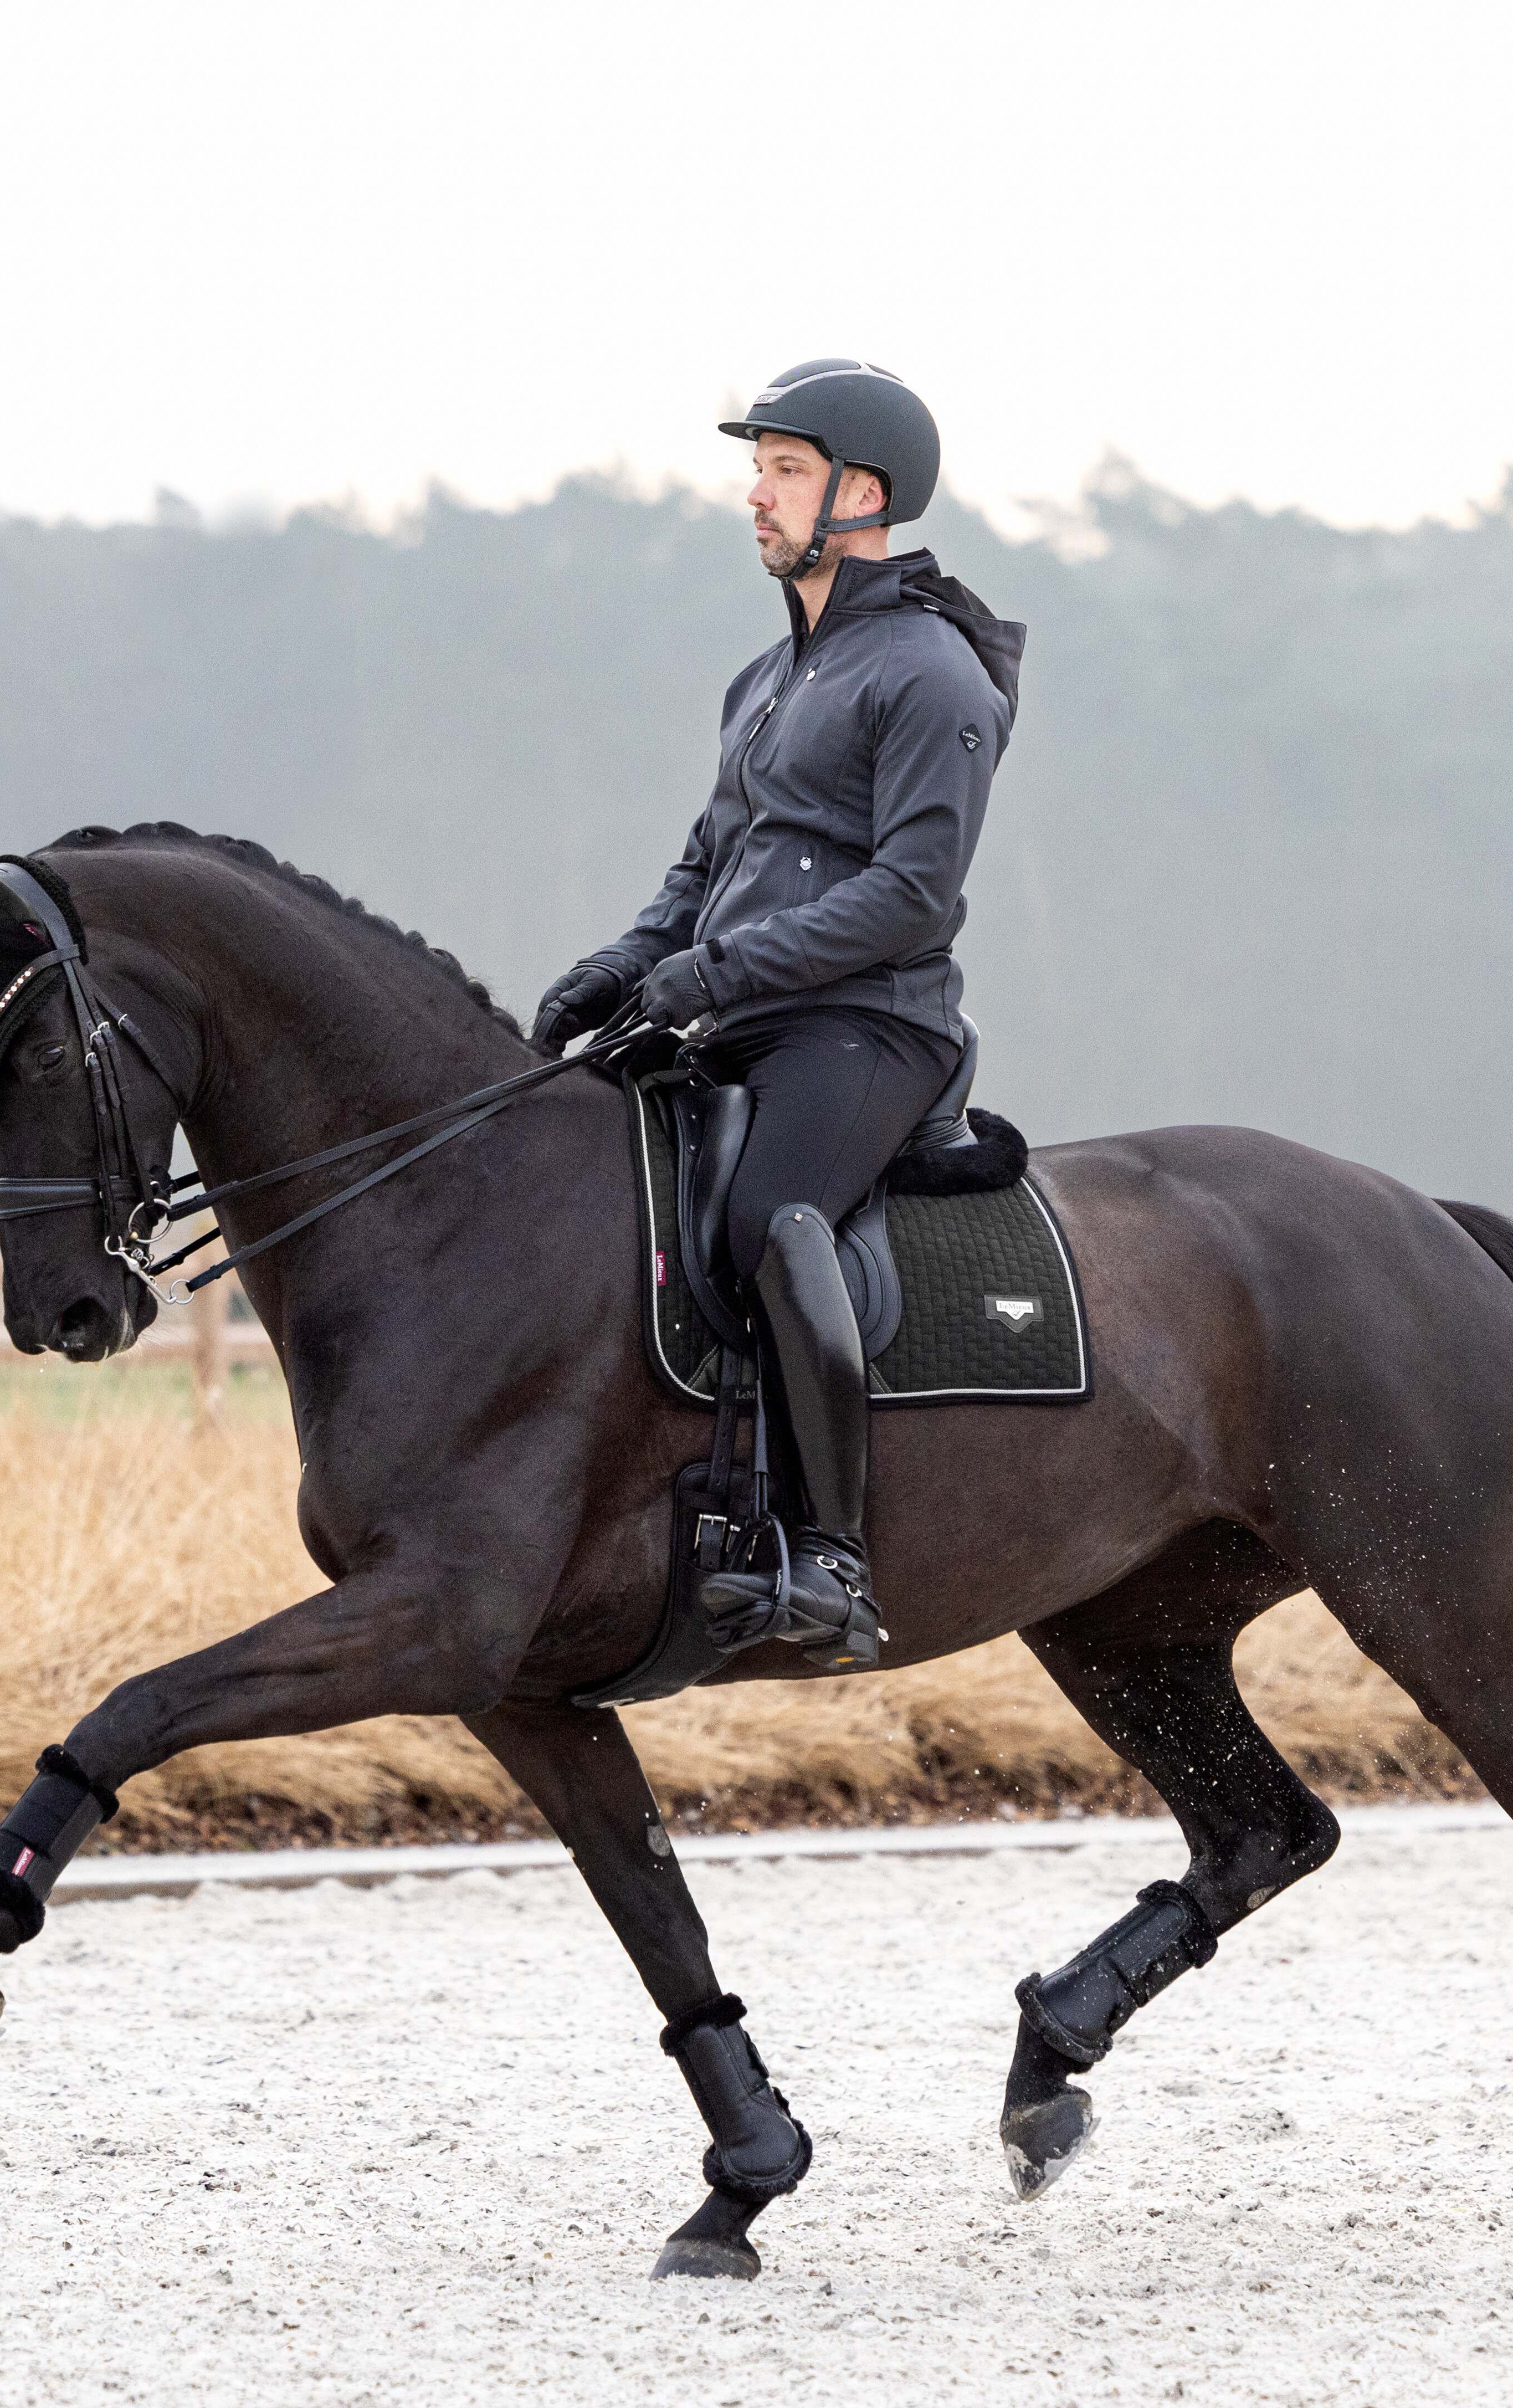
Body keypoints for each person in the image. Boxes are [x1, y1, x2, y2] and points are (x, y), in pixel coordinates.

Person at [528, 358, 1023, 1668]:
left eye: (784, 471)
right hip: (746, 1009)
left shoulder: (933, 676)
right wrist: (624, 963)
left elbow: (912, 897)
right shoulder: (764, 680)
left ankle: (833, 1559)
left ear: (862, 494)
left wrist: (714, 976)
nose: (756, 494)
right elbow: (706, 872)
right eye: (759, 469)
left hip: (873, 1025)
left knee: (765, 1218)